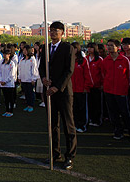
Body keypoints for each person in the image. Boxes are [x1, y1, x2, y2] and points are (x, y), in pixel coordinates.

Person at [39, 21, 77, 170]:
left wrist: (56, 86)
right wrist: (43, 78)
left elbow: (69, 70)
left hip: (63, 91)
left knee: (68, 125)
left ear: (62, 32)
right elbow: (41, 67)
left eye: (56, 30)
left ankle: (70, 156)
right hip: (49, 91)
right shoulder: (46, 48)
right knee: (52, 124)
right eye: (51, 30)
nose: (53, 32)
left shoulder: (68, 48)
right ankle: (55, 153)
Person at [101, 39, 130, 143]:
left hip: (121, 90)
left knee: (125, 112)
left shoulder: (124, 60)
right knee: (113, 113)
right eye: (108, 45)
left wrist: (126, 86)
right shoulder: (106, 60)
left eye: (111, 45)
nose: (109, 47)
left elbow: (129, 75)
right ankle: (118, 131)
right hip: (109, 90)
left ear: (118, 47)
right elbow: (104, 74)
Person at [71, 42, 93, 132]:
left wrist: (86, 86)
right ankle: (75, 124)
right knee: (74, 108)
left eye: (75, 48)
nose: (73, 50)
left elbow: (87, 74)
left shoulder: (83, 60)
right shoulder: (69, 60)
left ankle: (83, 125)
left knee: (82, 108)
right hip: (72, 89)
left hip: (81, 88)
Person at [86, 43, 103, 127]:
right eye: (88, 47)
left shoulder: (99, 59)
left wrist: (102, 84)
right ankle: (90, 118)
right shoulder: (85, 59)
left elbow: (103, 73)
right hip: (88, 86)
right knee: (89, 103)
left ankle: (97, 120)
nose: (89, 49)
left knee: (97, 104)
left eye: (91, 48)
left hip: (97, 86)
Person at [18, 47, 39, 112]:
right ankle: (28, 104)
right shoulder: (22, 59)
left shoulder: (32, 59)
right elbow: (20, 69)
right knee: (26, 93)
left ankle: (31, 105)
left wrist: (33, 79)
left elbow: (34, 69)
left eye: (25, 50)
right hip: (24, 79)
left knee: (30, 92)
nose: (24, 51)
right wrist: (19, 77)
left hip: (30, 79)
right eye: (23, 50)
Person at [0, 48, 17, 117]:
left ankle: (11, 111)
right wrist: (1, 80)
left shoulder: (12, 63)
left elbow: (12, 74)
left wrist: (5, 81)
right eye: (3, 54)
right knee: (6, 98)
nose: (4, 55)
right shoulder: (1, 62)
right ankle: (6, 110)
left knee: (10, 98)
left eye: (6, 54)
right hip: (3, 83)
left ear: (9, 55)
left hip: (9, 84)